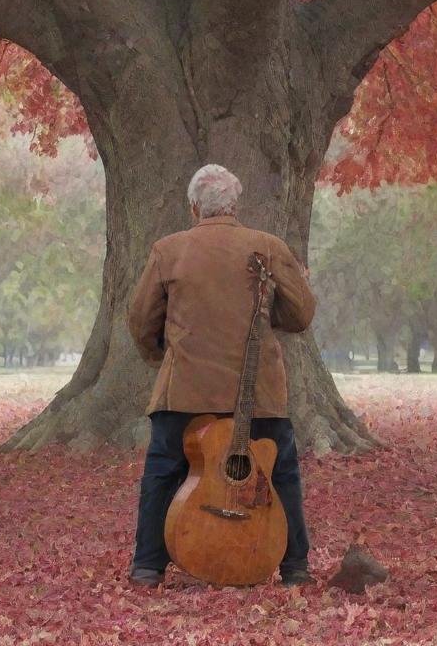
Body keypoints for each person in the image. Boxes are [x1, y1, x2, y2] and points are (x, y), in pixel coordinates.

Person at [127, 163, 317, 588]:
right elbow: (301, 314)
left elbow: (141, 321)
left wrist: (161, 355)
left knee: (164, 470)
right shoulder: (268, 247)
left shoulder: (168, 250)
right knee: (279, 473)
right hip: (260, 394)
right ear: (234, 206)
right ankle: (295, 567)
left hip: (186, 392)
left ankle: (147, 567)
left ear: (194, 207)